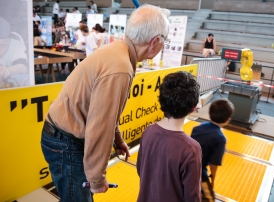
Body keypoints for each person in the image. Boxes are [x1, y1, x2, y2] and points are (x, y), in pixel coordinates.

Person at [40, 4, 170, 202]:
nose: (164, 45)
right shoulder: (120, 67)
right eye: (165, 40)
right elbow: (99, 126)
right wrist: (97, 178)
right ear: (154, 42)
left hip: (61, 136)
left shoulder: (118, 52)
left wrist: (117, 140)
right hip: (66, 142)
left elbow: (104, 112)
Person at [137, 71, 202, 202]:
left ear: (161, 101)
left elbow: (141, 170)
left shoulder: (148, 132)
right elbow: (192, 196)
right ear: (193, 107)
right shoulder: (191, 149)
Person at [191, 98, 234, 201]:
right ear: (227, 119)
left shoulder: (197, 127)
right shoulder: (220, 138)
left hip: (182, 168)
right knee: (210, 199)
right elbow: (213, 164)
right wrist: (213, 180)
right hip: (198, 173)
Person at [0, 17, 28, 82]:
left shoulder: (15, 41)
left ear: (9, 40)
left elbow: (23, 67)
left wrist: (8, 70)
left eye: (2, 45)